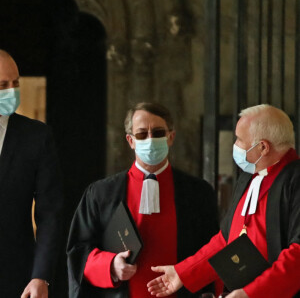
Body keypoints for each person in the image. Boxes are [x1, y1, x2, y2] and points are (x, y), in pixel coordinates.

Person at [67, 102, 219, 298]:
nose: (150, 139)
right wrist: (110, 266)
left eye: (158, 133)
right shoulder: (100, 194)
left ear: (171, 137)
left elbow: (214, 249)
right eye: (141, 134)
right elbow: (78, 251)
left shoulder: (198, 193)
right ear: (130, 141)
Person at [147, 104, 300, 298]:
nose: (234, 145)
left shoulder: (295, 181)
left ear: (263, 147)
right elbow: (226, 239)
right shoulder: (249, 176)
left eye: (239, 139)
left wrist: (250, 294)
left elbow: (298, 255)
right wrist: (183, 273)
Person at [0, 49, 63, 297]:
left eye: (15, 83)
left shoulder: (36, 137)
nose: (11, 91)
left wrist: (41, 276)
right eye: (2, 84)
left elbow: (50, 212)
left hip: (16, 277)